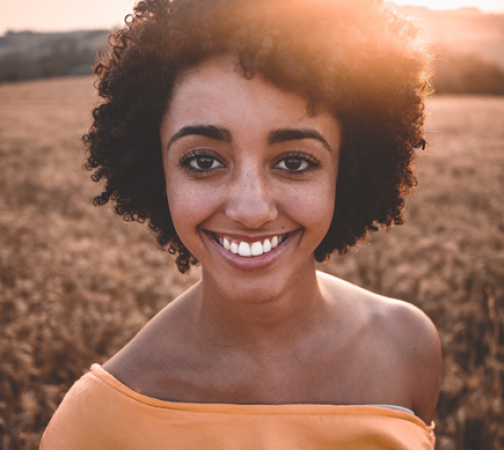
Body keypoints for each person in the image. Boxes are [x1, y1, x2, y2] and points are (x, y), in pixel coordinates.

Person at [41, 0, 440, 448]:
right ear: (158, 171)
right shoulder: (96, 426)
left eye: (294, 161)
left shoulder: (409, 348)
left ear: (346, 169)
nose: (251, 210)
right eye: (203, 160)